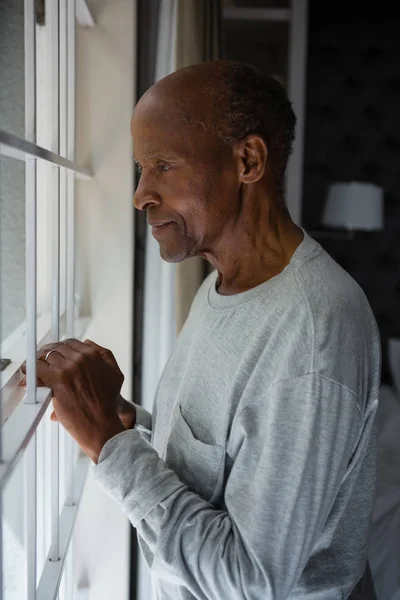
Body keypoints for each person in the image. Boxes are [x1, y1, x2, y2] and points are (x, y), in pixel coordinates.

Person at [29, 61, 380, 599]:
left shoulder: (313, 332)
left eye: (163, 166)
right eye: (140, 169)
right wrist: (125, 421)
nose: (140, 194)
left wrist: (112, 444)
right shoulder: (222, 284)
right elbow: (220, 469)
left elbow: (251, 583)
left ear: (248, 160)